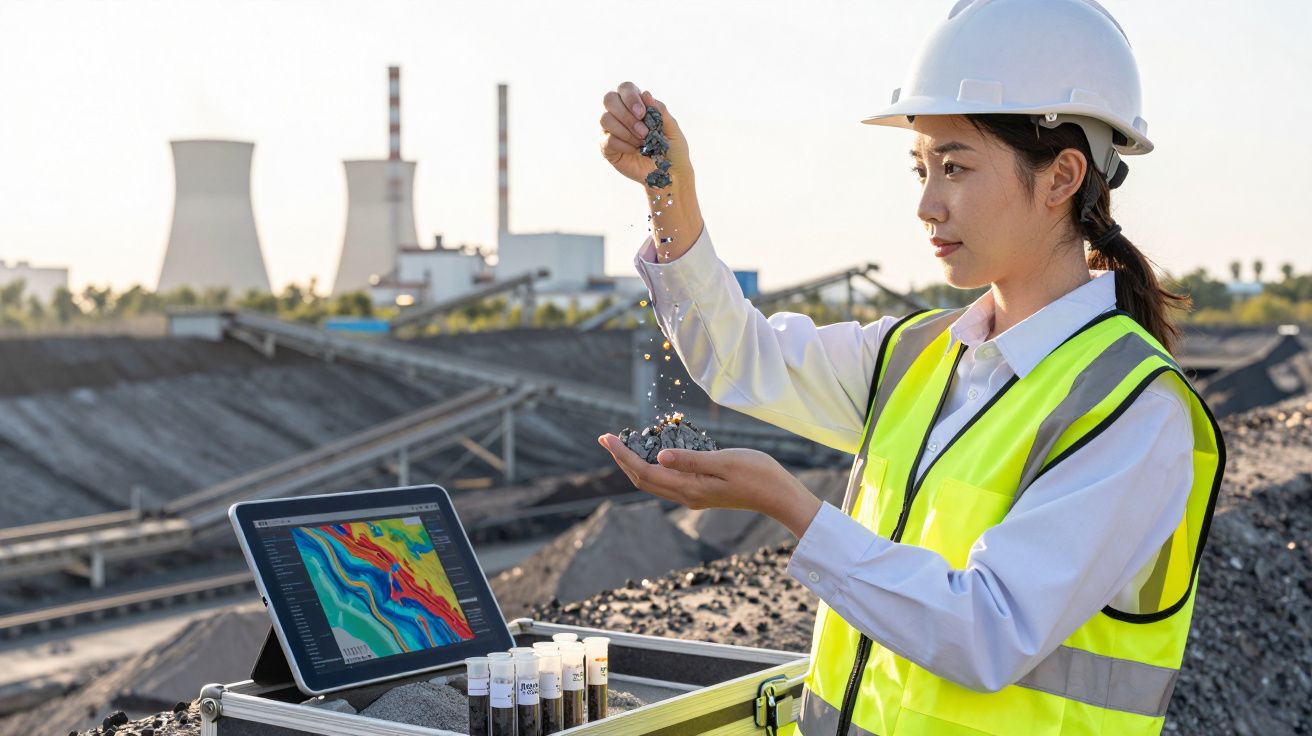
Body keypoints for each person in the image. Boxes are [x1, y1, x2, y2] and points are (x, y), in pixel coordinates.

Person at [595, 1, 1226, 734]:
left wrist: (794, 507)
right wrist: (667, 188)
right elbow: (742, 357)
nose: (927, 205)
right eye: (920, 168)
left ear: (1061, 177)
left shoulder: (1134, 411)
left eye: (955, 168)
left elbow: (990, 631)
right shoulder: (916, 358)